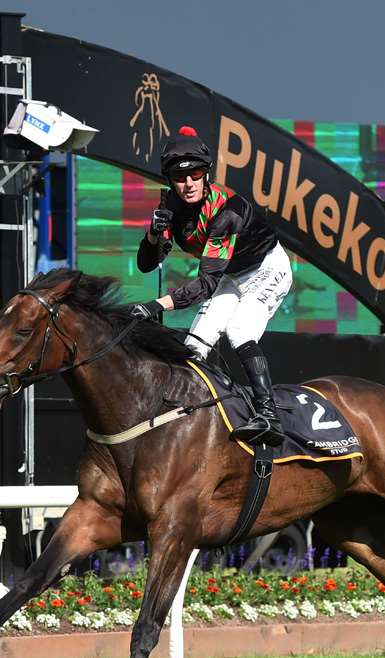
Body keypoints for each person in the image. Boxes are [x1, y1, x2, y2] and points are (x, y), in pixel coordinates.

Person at [130, 125, 293, 447]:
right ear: (169, 180)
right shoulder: (170, 207)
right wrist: (152, 235)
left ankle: (268, 415)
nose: (188, 183)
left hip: (266, 267)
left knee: (239, 330)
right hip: (231, 275)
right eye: (179, 177)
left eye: (196, 174)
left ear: (207, 174)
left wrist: (154, 306)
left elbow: (206, 284)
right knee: (195, 345)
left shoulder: (226, 212)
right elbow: (147, 264)